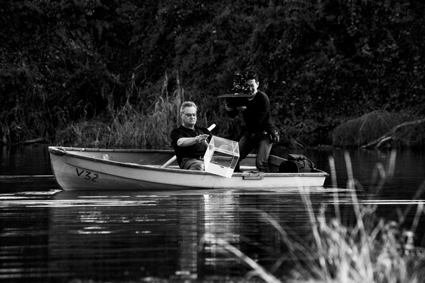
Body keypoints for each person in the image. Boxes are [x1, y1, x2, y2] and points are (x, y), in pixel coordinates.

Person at [224, 70, 279, 172]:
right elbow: (233, 114)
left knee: (260, 164)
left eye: (252, 85)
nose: (249, 88)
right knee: (234, 159)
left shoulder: (263, 98)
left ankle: (266, 183)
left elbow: (256, 121)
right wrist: (229, 108)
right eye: (246, 85)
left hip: (265, 134)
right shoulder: (242, 97)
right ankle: (236, 179)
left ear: (257, 84)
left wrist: (244, 109)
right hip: (250, 133)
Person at [170, 101, 212, 170]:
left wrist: (205, 144)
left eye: (194, 114)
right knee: (199, 166)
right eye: (189, 115)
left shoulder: (204, 131)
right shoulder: (177, 132)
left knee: (226, 167)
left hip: (206, 160)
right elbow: (180, 142)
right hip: (189, 161)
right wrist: (197, 139)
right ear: (181, 115)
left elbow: (212, 150)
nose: (192, 117)